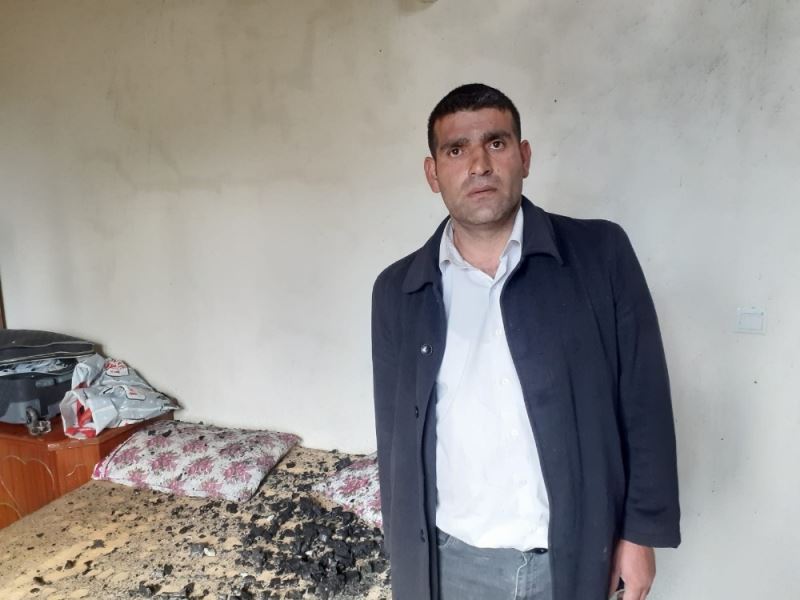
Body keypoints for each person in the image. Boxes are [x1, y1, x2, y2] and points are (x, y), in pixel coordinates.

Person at [371, 83, 680, 600]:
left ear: (524, 157)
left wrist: (640, 532)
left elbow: (643, 400)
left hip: (575, 554)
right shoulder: (398, 290)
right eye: (456, 150)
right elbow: (395, 436)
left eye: (496, 143)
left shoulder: (600, 255)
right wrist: (403, 553)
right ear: (433, 173)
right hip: (451, 562)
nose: (479, 165)